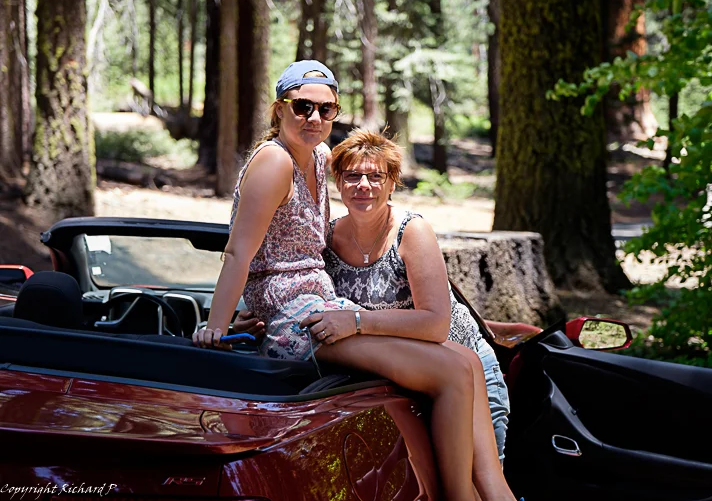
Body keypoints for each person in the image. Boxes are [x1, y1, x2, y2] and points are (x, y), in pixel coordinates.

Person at [193, 61, 511, 501]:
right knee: (452, 372)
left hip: (325, 309)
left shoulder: (319, 157)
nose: (315, 118)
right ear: (279, 109)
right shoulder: (274, 160)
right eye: (302, 107)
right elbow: (238, 253)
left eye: (326, 109)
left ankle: (491, 493)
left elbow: (308, 229)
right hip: (296, 322)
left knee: (467, 360)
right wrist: (218, 326)